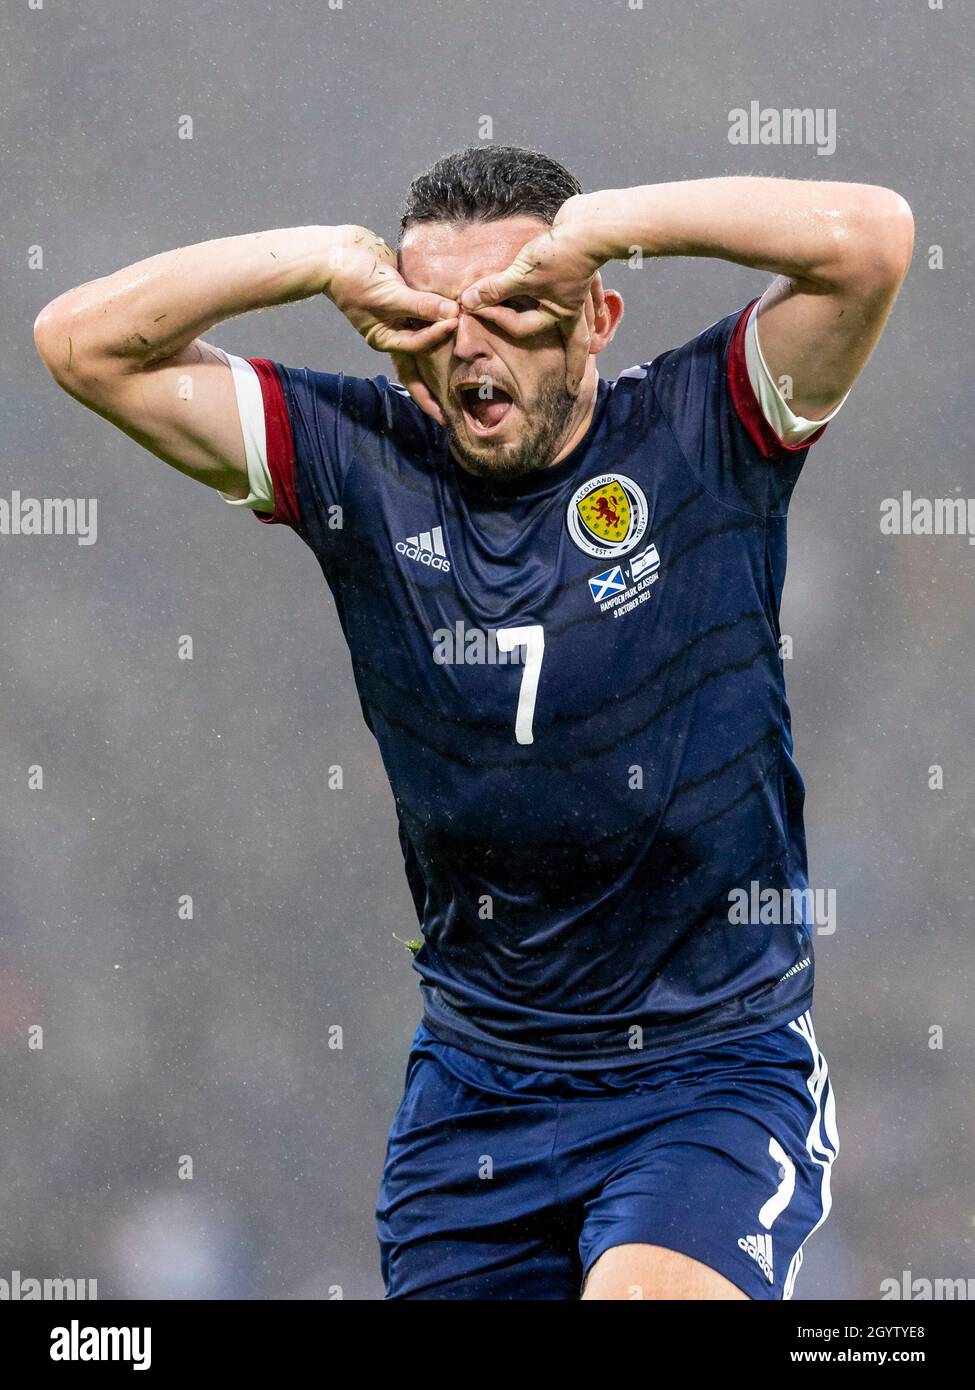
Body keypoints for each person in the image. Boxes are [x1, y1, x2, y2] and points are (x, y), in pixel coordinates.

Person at [34, 145, 913, 1300]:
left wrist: (604, 223)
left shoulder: (708, 429)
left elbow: (872, 239)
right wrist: (316, 261)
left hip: (709, 1069)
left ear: (597, 312)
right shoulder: (359, 458)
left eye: (511, 305)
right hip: (482, 1092)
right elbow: (79, 342)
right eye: (434, 312)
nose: (467, 345)